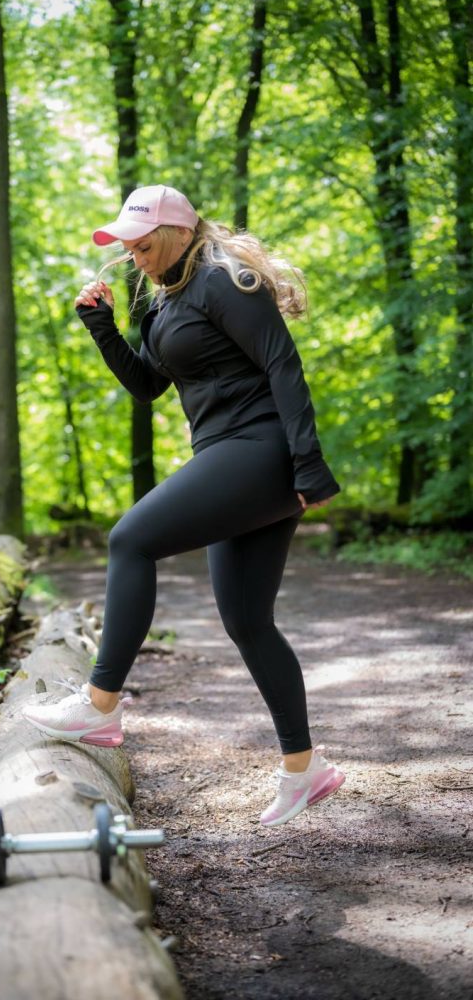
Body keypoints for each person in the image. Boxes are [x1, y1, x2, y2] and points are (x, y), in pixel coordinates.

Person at [22, 184, 345, 827]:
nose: (135, 258)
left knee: (129, 538)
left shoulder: (228, 281)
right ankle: (305, 770)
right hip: (227, 455)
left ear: (175, 233)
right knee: (248, 621)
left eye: (144, 245)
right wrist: (101, 329)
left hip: (261, 451)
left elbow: (283, 364)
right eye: (128, 248)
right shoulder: (166, 303)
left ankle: (100, 704)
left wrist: (307, 462)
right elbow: (147, 386)